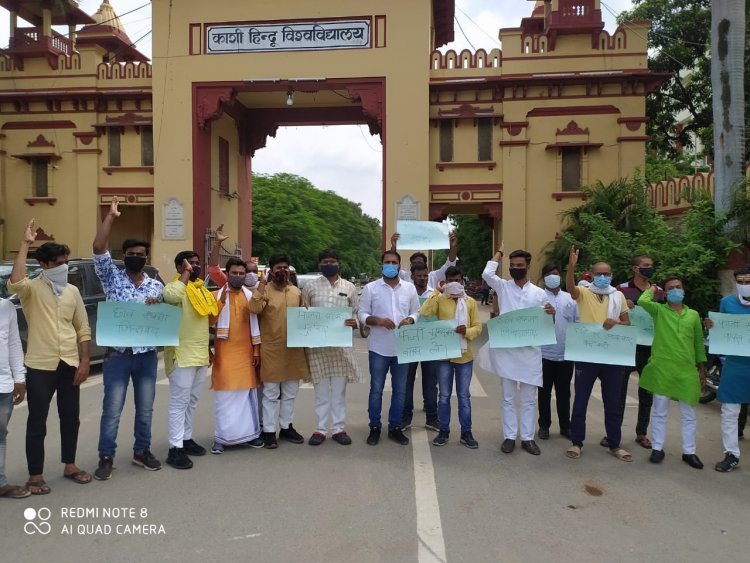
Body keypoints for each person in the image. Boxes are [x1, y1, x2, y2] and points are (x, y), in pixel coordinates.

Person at [8, 220, 92, 493]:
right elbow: (15, 282)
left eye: (66, 262)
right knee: (37, 421)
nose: (64, 267)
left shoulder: (72, 292)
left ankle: (70, 465)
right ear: (44, 265)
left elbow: (82, 328)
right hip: (40, 365)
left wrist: (84, 361)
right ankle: (35, 475)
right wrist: (25, 245)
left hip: (69, 363)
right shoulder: (31, 288)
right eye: (58, 263)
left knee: (71, 417)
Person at [92, 198, 164, 480]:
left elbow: (162, 318)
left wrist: (157, 308)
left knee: (145, 408)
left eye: (142, 254)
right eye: (133, 253)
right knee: (112, 409)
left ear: (147, 258)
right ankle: (106, 456)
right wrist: (110, 217)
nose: (138, 256)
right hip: (118, 355)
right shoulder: (111, 277)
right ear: (124, 256)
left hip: (146, 355)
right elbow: (99, 248)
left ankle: (141, 450)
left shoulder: (156, 285)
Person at [481, 244, 555, 456]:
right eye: (512, 265)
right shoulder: (503, 287)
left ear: (528, 266)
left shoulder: (540, 294)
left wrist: (551, 313)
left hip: (530, 353)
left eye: (519, 265)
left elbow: (548, 323)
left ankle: (528, 438)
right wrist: (499, 253)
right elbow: (487, 273)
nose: (515, 268)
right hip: (507, 352)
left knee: (529, 398)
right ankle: (509, 436)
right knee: (507, 397)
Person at [564, 247, 633, 462]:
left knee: (612, 402)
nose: (603, 277)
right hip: (586, 355)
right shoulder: (584, 293)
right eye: (599, 274)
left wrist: (617, 322)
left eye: (607, 274)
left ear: (612, 276)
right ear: (592, 275)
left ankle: (615, 444)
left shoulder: (618, 295)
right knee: (581, 401)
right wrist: (571, 266)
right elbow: (570, 289)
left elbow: (627, 323)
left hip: (612, 357)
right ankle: (577, 442)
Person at [637, 278, 706, 469]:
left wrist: (702, 368)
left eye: (678, 287)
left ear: (684, 290)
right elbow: (643, 301)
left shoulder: (693, 315)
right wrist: (652, 289)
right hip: (662, 369)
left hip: (686, 370)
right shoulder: (659, 311)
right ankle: (657, 448)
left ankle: (689, 452)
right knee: (659, 411)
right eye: (670, 288)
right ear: (665, 293)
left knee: (689, 413)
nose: (675, 290)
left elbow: (698, 342)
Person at [301, 249, 364, 446]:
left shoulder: (349, 287)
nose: (329, 264)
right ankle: (320, 430)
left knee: (338, 392)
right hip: (317, 349)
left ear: (339, 263)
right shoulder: (310, 287)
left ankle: (338, 429)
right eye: (325, 261)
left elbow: (357, 311)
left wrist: (355, 322)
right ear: (320, 265)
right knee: (320, 393)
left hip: (340, 348)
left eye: (332, 261)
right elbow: (303, 314)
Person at [359, 250, 420, 446]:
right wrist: (376, 320)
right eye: (387, 262)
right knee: (376, 389)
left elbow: (417, 311)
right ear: (382, 265)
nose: (391, 265)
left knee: (400, 390)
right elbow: (362, 313)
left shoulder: (409, 289)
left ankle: (395, 427)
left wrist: (411, 319)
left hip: (402, 348)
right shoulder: (371, 288)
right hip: (378, 348)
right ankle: (374, 427)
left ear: (400, 266)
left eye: (394, 262)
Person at [249, 254, 310, 449]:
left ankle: (286, 427)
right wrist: (259, 288)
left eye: (285, 267)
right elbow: (254, 309)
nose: (282, 271)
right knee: (270, 393)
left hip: (294, 350)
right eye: (278, 268)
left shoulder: (296, 291)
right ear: (271, 271)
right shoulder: (264, 290)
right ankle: (268, 431)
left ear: (289, 270)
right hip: (271, 350)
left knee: (291, 392)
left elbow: (304, 315)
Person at [163, 251, 216, 469]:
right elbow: (172, 297)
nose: (194, 267)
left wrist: (208, 350)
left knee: (192, 401)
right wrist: (185, 274)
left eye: (196, 264)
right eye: (189, 264)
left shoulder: (201, 290)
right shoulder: (173, 287)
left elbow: (206, 322)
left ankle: (185, 439)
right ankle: (174, 448)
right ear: (179, 267)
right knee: (179, 402)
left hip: (199, 353)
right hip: (181, 354)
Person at [419, 267, 482, 448]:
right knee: (444, 396)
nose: (454, 283)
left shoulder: (470, 302)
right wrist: (436, 293)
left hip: (464, 357)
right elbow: (424, 313)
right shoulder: (440, 299)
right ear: (445, 281)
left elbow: (477, 326)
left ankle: (466, 432)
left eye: (457, 279)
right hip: (444, 356)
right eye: (450, 280)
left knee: (463, 396)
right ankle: (443, 431)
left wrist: (467, 331)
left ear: (462, 281)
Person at [209, 257, 264, 454]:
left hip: (246, 353)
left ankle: (250, 436)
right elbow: (210, 320)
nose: (238, 276)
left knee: (245, 396)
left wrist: (257, 350)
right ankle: (221, 438)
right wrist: (222, 302)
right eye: (234, 273)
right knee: (224, 398)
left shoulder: (251, 296)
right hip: (224, 354)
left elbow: (255, 324)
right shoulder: (217, 295)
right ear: (228, 273)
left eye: (242, 273)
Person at [704, 266, 750, 472]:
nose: (744, 285)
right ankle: (731, 454)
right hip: (735, 364)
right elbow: (721, 331)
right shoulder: (727, 302)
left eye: (748, 281)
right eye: (740, 281)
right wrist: (712, 326)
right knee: (730, 411)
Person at [614, 254, 661, 450]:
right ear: (634, 268)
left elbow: (665, 314)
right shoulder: (621, 290)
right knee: (619, 391)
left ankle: (641, 433)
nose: (649, 268)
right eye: (645, 265)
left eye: (651, 265)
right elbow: (610, 313)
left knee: (646, 392)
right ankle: (613, 433)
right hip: (627, 345)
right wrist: (624, 306)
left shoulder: (658, 291)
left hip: (650, 347)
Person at [538, 263, 578, 440]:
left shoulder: (571, 298)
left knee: (564, 393)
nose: (552, 277)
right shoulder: (538, 297)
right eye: (548, 274)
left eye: (555, 273)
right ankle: (544, 426)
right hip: (543, 354)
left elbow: (577, 324)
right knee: (544, 393)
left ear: (560, 276)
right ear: (543, 278)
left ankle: (565, 426)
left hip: (565, 354)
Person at [402, 262, 439, 431]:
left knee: (431, 384)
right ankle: (405, 417)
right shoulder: (405, 293)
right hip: (409, 344)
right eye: (419, 276)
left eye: (425, 276)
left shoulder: (436, 295)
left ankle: (432, 417)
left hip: (429, 346)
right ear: (412, 276)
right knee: (407, 382)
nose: (423, 279)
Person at [0, 297, 29, 499]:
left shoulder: (6, 307)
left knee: (0, 435)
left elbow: (13, 343)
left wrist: (19, 377)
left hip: (3, 384)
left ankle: (0, 483)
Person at [390, 231, 459, 288]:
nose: (417, 265)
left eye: (419, 262)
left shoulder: (433, 276)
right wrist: (394, 247)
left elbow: (449, 265)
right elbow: (392, 266)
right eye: (414, 263)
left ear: (425, 265)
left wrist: (453, 247)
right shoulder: (404, 276)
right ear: (410, 265)